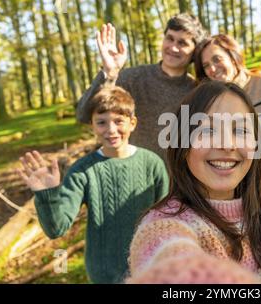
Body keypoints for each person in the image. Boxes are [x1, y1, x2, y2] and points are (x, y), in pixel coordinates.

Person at [125, 81, 261, 283]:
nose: (227, 144)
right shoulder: (162, 226)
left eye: (240, 131)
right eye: (207, 131)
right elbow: (171, 266)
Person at [17, 86, 169, 284]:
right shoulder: (82, 170)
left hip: (150, 266)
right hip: (103, 271)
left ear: (132, 123)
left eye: (118, 121)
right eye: (102, 123)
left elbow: (167, 217)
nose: (111, 130)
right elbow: (57, 229)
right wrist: (47, 195)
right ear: (92, 126)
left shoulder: (153, 164)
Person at [76, 13, 207, 162]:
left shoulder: (196, 92)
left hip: (176, 182)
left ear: (194, 52)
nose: (173, 47)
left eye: (182, 43)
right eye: (169, 38)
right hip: (132, 177)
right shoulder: (132, 78)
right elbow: (83, 114)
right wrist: (109, 72)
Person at [193, 34, 261, 198]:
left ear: (233, 56)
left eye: (217, 59)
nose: (212, 68)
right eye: (206, 65)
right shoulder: (209, 102)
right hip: (232, 196)